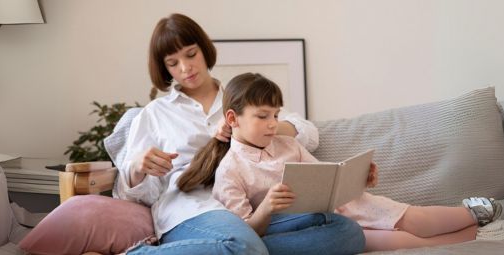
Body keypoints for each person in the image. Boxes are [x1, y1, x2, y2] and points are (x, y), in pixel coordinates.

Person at [114, 13, 365, 254]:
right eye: (173, 63)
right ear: (164, 68)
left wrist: (253, 127)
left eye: (191, 54)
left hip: (255, 212)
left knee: (347, 232)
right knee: (245, 245)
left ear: (204, 49)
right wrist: (138, 167)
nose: (185, 67)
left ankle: (236, 250)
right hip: (193, 210)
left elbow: (309, 133)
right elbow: (128, 194)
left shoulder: (241, 96)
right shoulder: (155, 114)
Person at [205, 73, 502, 252]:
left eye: (275, 115)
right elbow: (246, 234)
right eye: (262, 116)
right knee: (400, 240)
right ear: (233, 118)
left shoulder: (288, 144)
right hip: (319, 226)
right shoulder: (230, 171)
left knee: (414, 218)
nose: (272, 125)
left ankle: (476, 213)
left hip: (348, 204)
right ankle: (477, 237)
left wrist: (358, 178)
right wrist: (268, 206)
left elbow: (325, 176)